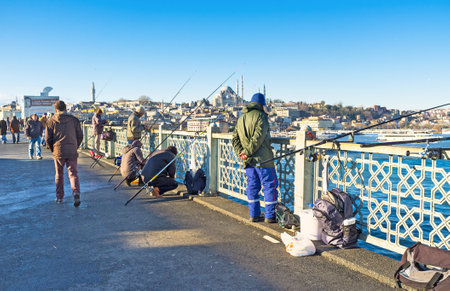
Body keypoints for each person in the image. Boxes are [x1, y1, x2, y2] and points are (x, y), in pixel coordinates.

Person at [232, 93, 279, 223]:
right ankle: (270, 216)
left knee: (252, 186)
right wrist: (247, 152)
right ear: (261, 105)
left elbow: (235, 138)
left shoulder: (241, 119)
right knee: (270, 185)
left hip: (248, 161)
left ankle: (254, 214)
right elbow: (258, 137)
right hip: (263, 160)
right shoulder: (261, 116)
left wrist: (240, 153)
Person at [46, 101, 83, 206]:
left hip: (58, 151)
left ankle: (59, 198)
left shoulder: (51, 121)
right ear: (66, 109)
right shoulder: (74, 120)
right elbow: (80, 135)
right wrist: (75, 146)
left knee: (59, 175)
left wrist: (53, 149)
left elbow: (48, 139)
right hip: (72, 151)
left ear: (55, 110)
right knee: (73, 174)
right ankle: (76, 192)